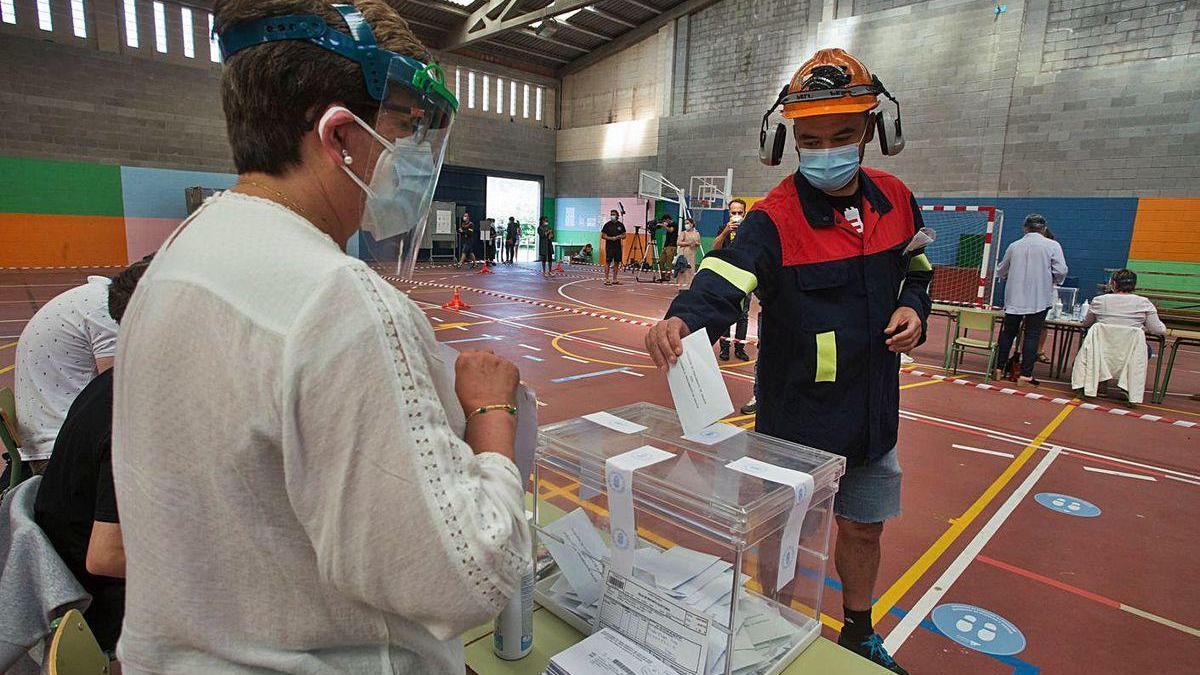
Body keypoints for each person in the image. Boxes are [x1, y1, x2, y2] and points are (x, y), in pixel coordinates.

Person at [113, 2, 529, 671]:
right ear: (341, 136)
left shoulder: (179, 259)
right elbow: (469, 576)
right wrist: (490, 417)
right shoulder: (337, 299)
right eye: (405, 128)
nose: (414, 156)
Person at [645, 49, 931, 673]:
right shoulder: (774, 218)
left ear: (871, 132)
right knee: (783, 537)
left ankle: (858, 632)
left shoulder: (898, 200)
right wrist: (683, 317)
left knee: (863, 527)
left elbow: (917, 267)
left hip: (873, 415)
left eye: (842, 135)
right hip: (796, 424)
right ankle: (772, 637)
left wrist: (914, 307)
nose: (826, 149)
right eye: (811, 139)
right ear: (791, 140)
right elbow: (723, 278)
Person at [34, 258, 151, 660]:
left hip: (76, 573)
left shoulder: (116, 380)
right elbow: (106, 557)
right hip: (102, 602)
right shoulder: (137, 410)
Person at [14, 271, 122, 474]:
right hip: (60, 455)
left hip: (52, 445)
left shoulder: (94, 298)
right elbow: (116, 392)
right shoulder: (105, 310)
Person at [994, 214, 1067, 384]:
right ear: (1043, 228)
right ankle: (1026, 375)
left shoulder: (1014, 246)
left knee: (1007, 333)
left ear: (1025, 228)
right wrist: (1052, 279)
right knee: (1032, 335)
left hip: (1014, 297)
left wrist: (1007, 275)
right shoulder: (1052, 245)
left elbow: (1001, 269)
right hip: (1039, 298)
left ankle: (998, 369)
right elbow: (1061, 270)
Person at [714, 199, 751, 361]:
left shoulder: (749, 229)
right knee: (724, 312)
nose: (736, 216)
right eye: (733, 213)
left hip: (745, 276)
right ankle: (724, 348)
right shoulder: (723, 229)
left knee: (743, 315)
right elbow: (715, 248)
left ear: (744, 213)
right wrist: (725, 233)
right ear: (729, 214)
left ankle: (739, 347)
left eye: (739, 213)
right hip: (725, 276)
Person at [1084, 269, 1166, 337]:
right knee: (1147, 350)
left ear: (1114, 284)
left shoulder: (1098, 300)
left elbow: (1087, 323)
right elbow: (1157, 330)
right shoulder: (1144, 303)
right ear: (1134, 285)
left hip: (1101, 349)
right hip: (1130, 351)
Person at [600, 209, 626, 286]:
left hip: (617, 246)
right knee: (608, 262)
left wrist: (619, 237)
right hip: (609, 246)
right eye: (611, 214)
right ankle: (606, 278)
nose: (612, 216)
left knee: (617, 262)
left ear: (617, 216)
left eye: (614, 214)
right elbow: (603, 236)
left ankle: (615, 279)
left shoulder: (621, 225)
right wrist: (611, 238)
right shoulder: (607, 225)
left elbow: (624, 235)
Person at [675, 217, 702, 288]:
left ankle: (689, 286)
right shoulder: (683, 233)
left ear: (692, 224)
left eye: (687, 223)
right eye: (685, 223)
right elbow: (678, 243)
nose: (686, 225)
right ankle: (680, 286)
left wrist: (696, 243)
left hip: (692, 254)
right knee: (682, 270)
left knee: (690, 270)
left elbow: (699, 243)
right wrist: (688, 243)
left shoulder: (697, 233)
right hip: (683, 254)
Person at [657, 214, 678, 282]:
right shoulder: (668, 225)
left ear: (668, 219)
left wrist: (664, 226)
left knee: (669, 262)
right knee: (661, 261)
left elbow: (671, 230)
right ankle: (662, 276)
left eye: (665, 221)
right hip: (666, 245)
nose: (665, 222)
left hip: (672, 246)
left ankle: (668, 276)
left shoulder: (674, 224)